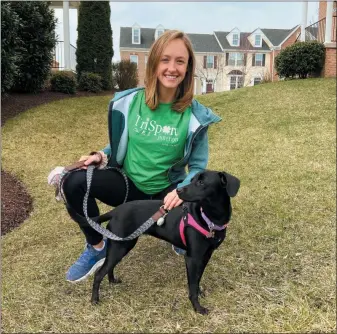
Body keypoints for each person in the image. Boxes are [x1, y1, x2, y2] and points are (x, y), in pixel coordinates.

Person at [58, 30, 221, 283]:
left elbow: (198, 166)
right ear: (154, 63)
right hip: (127, 185)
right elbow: (122, 140)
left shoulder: (195, 115)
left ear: (188, 68)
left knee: (203, 194)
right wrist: (102, 155)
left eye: (180, 61)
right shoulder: (131, 102)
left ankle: (180, 233)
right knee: (73, 181)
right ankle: (97, 247)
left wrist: (181, 191)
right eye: (165, 60)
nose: (172, 68)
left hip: (166, 194)